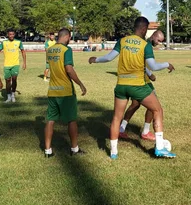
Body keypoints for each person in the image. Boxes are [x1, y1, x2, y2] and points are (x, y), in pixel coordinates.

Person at [89, 17, 176, 159]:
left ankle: (113, 153)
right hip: (138, 86)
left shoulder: (122, 41)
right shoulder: (144, 45)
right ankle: (160, 147)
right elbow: (153, 66)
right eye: (146, 29)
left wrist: (96, 59)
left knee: (116, 118)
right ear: (143, 29)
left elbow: (109, 57)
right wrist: (167, 64)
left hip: (121, 86)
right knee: (157, 109)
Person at [44, 28, 87, 157]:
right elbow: (69, 69)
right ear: (67, 36)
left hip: (52, 91)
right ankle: (74, 149)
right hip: (66, 92)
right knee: (71, 120)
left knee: (50, 120)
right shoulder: (66, 50)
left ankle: (47, 150)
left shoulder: (50, 50)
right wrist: (80, 83)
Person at [119, 30, 166, 141]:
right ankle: (145, 132)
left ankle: (121, 129)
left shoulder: (145, 44)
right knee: (154, 106)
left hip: (140, 80)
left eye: (161, 41)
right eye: (158, 40)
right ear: (153, 36)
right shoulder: (146, 45)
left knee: (135, 104)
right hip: (142, 81)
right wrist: (150, 75)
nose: (159, 43)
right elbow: (141, 64)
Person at [0, 29, 26, 103]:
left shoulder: (18, 42)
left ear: (14, 34)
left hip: (15, 64)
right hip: (6, 65)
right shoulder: (4, 42)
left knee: (14, 79)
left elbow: (23, 52)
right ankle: (8, 96)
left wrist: (24, 63)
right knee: (7, 80)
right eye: (10, 34)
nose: (11, 36)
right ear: (8, 35)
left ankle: (13, 94)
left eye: (12, 34)